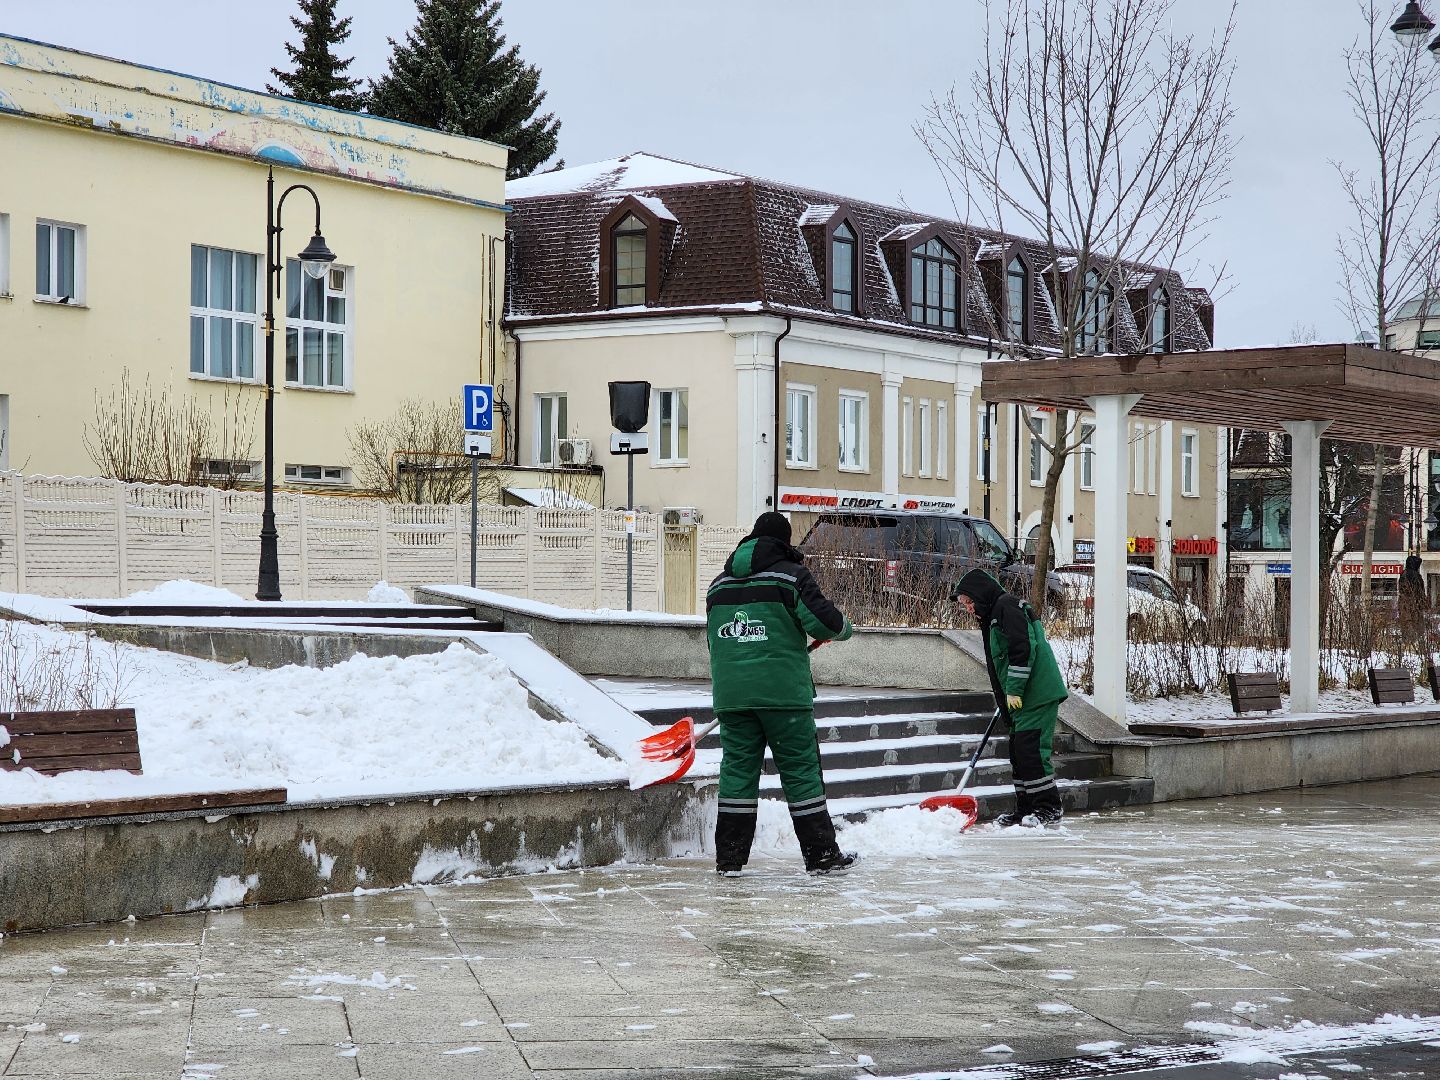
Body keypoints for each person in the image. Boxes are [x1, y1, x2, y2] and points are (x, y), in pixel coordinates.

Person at [706, 511, 855, 875]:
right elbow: (828, 623)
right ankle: (821, 856)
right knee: (801, 773)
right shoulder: (791, 577)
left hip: (733, 697)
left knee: (737, 774)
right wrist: (843, 629)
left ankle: (729, 859)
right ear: (784, 543)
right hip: (783, 697)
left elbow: (715, 642)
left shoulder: (718, 586)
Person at [953, 568, 1069, 827]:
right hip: (1020, 698)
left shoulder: (1007, 607)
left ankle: (1049, 808)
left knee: (1032, 752)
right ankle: (1025, 808)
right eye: (964, 605)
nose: (969, 608)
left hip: (1036, 694)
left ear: (981, 595)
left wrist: (1014, 688)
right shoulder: (993, 615)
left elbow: (1023, 647)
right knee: (1019, 753)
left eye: (969, 602)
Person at [1398, 553, 1428, 649]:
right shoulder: (1416, 575)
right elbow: (1420, 591)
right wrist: (1422, 603)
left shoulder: (1403, 574)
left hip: (1404, 603)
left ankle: (1407, 642)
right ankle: (1414, 644)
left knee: (1407, 623)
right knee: (1415, 623)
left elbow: (1402, 589)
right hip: (1414, 603)